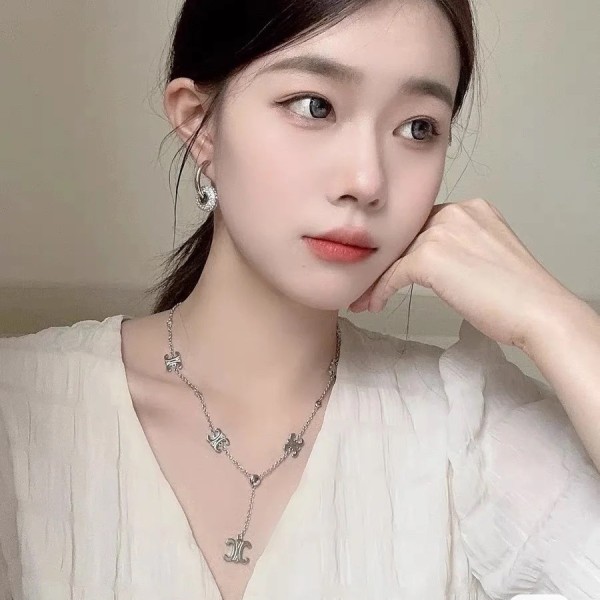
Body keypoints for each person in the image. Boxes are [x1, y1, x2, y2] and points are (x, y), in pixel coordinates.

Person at [1, 0, 599, 598]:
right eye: (315, 106)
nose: (366, 181)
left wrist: (557, 321)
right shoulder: (22, 407)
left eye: (418, 127)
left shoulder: (465, 425)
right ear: (199, 124)